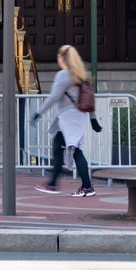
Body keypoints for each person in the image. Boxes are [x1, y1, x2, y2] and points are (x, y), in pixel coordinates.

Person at [33, 44, 96, 197]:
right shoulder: (81, 74)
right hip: (77, 116)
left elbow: (54, 97)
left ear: (62, 58)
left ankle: (86, 186)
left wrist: (39, 113)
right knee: (59, 147)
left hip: (68, 117)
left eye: (59, 57)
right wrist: (93, 119)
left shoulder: (63, 75)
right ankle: (53, 183)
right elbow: (89, 98)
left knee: (75, 151)